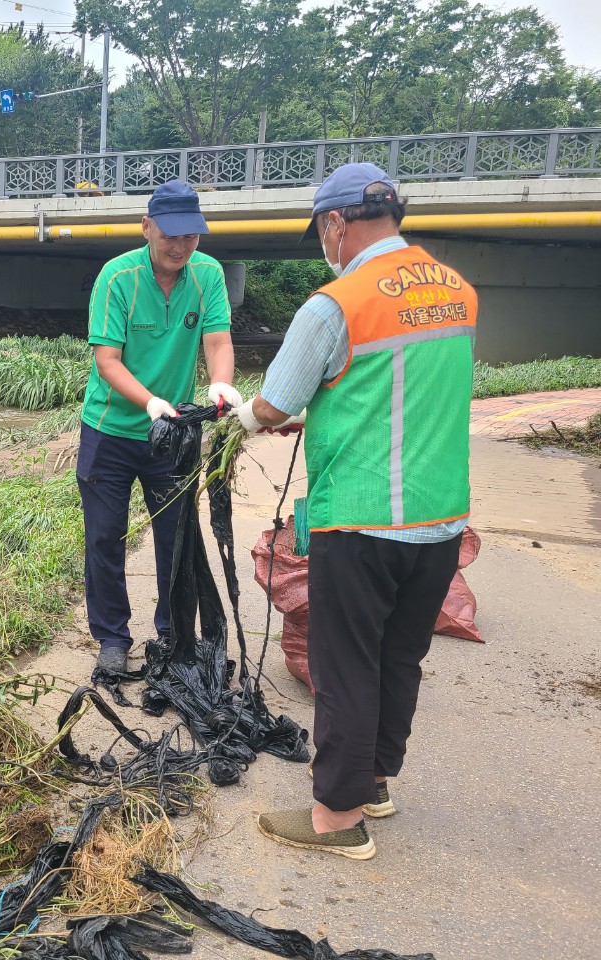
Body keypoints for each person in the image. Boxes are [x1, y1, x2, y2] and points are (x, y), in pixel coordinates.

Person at [233, 163, 477, 860]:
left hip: (363, 518)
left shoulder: (336, 303)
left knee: (344, 666)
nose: (323, 243)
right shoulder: (458, 291)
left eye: (322, 230)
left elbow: (274, 402)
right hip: (439, 520)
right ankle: (373, 783)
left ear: (336, 223)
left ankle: (337, 819)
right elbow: (394, 386)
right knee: (398, 658)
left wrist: (242, 418)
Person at [79, 179, 239, 675]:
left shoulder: (207, 274)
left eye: (191, 236)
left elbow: (217, 340)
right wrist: (150, 402)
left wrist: (220, 385)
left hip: (172, 436)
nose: (180, 246)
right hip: (109, 430)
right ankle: (111, 637)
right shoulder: (116, 277)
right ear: (146, 227)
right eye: (170, 234)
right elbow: (107, 360)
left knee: (176, 536)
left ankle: (173, 633)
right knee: (105, 536)